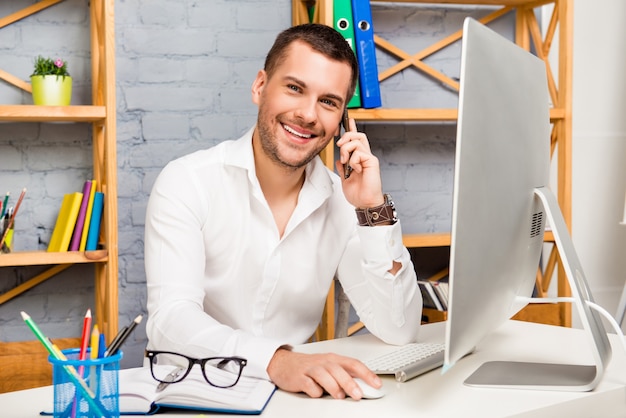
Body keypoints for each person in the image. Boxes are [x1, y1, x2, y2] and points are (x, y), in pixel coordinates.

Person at [144, 23, 423, 401]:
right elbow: (170, 321)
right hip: (191, 395)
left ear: (342, 121)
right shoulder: (187, 182)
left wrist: (373, 210)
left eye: (328, 102)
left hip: (293, 401)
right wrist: (276, 360)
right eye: (295, 88)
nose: (308, 115)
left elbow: (398, 328)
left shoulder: (344, 202)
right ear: (260, 87)